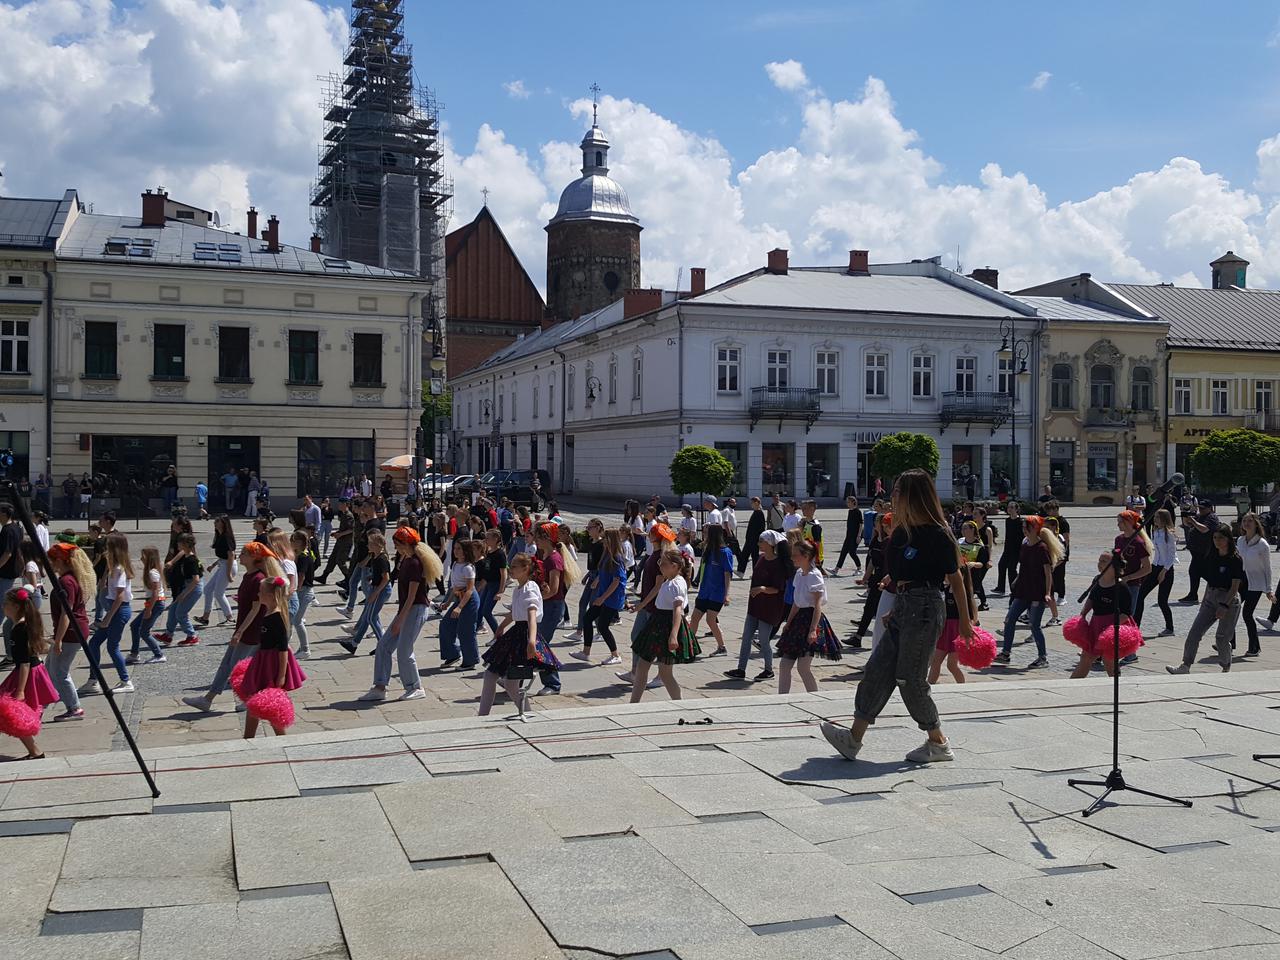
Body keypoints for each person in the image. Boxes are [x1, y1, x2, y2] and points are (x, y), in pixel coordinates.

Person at [822, 469, 969, 765]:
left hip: (927, 607)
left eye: (898, 491)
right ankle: (853, 739)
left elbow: (955, 580)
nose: (893, 497)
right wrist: (896, 607)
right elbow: (901, 580)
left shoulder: (939, 534)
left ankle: (938, 742)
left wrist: (965, 621)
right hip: (905, 605)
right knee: (877, 669)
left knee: (910, 679)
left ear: (914, 496)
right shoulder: (901, 533)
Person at [182, 541, 280, 713]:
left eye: (243, 553)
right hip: (244, 628)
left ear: (253, 557)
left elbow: (256, 609)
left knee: (237, 667)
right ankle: (208, 699)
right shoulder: (248, 576)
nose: (238, 556)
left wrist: (240, 631)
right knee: (229, 664)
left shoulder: (258, 579)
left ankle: (248, 699)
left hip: (251, 631)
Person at [360, 528, 441, 702]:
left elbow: (412, 596)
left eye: (397, 543)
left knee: (404, 651)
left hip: (415, 610)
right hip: (407, 609)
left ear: (405, 544)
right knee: (384, 646)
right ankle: (379, 687)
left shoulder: (414, 563)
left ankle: (415, 687)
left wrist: (400, 619)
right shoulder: (406, 559)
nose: (395, 546)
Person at [478, 552, 560, 715]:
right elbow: (517, 612)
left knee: (501, 679)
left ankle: (485, 715)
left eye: (514, 566)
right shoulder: (519, 588)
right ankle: (486, 715)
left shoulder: (530, 588)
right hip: (516, 633)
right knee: (501, 679)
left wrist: (531, 641)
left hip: (523, 635)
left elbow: (531, 616)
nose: (510, 568)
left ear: (525, 568)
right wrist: (501, 626)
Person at [1167, 523, 1242, 674]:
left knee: (1221, 637)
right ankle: (1185, 665)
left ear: (1228, 539)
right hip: (1211, 597)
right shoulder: (1212, 555)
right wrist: (1205, 600)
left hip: (1228, 599)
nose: (1217, 541)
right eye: (1215, 538)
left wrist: (1224, 606)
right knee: (1195, 633)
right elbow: (1210, 581)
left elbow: (1234, 587)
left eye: (1220, 538)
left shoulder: (1235, 559)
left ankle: (1226, 666)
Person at [238, 574, 306, 739]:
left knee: (268, 702)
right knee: (254, 699)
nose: (258, 595)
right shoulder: (268, 612)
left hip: (271, 663)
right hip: (263, 659)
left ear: (270, 595)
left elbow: (283, 649)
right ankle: (249, 736)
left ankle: (281, 738)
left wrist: (281, 675)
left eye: (260, 592)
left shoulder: (276, 618)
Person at [629, 548, 700, 702]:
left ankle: (679, 702)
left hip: (666, 626)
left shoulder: (676, 584)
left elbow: (677, 611)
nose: (660, 566)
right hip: (657, 623)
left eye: (663, 564)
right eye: (660, 563)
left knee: (665, 673)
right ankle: (633, 703)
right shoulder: (668, 580)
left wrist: (673, 636)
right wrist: (639, 606)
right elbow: (656, 591)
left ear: (675, 566)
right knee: (643, 665)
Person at [774, 540, 841, 694]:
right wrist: (788, 622)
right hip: (798, 620)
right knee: (785, 664)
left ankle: (814, 696)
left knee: (803, 667)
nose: (792, 558)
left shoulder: (814, 576)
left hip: (811, 619)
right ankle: (782, 698)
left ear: (806, 556)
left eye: (795, 555)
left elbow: (817, 605)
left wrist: (813, 630)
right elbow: (796, 603)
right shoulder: (799, 574)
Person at [995, 516, 1061, 669]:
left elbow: (1048, 573)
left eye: (1027, 527)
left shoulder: (1042, 548)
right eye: (1023, 527)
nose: (1024, 530)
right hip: (1022, 590)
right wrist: (1017, 579)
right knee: (1009, 620)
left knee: (1034, 625)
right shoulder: (1025, 545)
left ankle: (1042, 657)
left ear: (1035, 529)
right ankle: (1005, 653)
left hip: (1037, 592)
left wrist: (1047, 592)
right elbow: (1024, 566)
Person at [0, 586, 58, 758]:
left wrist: (20, 690)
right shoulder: (26, 623)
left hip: (26, 674)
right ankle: (34, 751)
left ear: (16, 606)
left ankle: (35, 751)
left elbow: (24, 662)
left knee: (14, 712)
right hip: (32, 671)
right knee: (14, 713)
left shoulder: (19, 628)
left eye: (6, 603)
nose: (3, 607)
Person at [616, 522, 675, 689]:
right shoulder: (654, 554)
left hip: (655, 607)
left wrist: (641, 604)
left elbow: (657, 586)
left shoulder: (661, 559)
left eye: (651, 533)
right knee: (636, 636)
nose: (648, 534)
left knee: (655, 644)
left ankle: (660, 675)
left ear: (657, 537)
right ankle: (635, 672)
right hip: (647, 605)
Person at [724, 529, 787, 682]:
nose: (758, 544)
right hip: (754, 606)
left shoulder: (778, 563)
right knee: (746, 638)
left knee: (764, 640)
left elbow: (778, 588)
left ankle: (768, 670)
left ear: (770, 544)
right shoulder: (760, 559)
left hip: (769, 607)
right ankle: (741, 669)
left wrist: (762, 589)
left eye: (761, 541)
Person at [1067, 551, 1141, 678]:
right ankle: (1071, 686)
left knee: (1109, 661)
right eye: (1099, 561)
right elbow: (1091, 599)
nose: (1099, 564)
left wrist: (1110, 629)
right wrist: (1083, 615)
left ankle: (1118, 688)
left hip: (1113, 626)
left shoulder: (1121, 586)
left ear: (1114, 565)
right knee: (1086, 657)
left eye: (1103, 561)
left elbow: (1126, 614)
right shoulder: (1097, 579)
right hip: (1096, 623)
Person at [45, 543, 93, 722]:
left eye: (51, 561)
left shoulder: (65, 581)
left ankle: (74, 707)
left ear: (59, 560)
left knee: (60, 671)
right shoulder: (71, 578)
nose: (49, 565)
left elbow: (67, 613)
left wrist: (58, 640)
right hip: (73, 630)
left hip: (71, 632)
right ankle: (51, 698)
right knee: (50, 668)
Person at [83, 532, 134, 694]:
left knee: (112, 647)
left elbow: (119, 596)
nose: (105, 549)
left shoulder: (119, 569)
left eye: (107, 546)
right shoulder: (114, 566)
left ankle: (126, 681)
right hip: (115, 609)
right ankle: (93, 680)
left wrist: (106, 619)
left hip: (119, 611)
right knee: (94, 643)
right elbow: (104, 586)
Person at [532, 523, 577, 695]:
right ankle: (515, 679)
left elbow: (553, 589)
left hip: (552, 607)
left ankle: (552, 684)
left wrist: (534, 599)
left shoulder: (553, 559)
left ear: (545, 538)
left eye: (537, 536)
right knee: (533, 644)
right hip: (546, 605)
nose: (535, 539)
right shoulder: (545, 555)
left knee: (539, 645)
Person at [572, 528, 627, 665]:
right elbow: (603, 573)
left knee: (602, 626)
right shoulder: (607, 554)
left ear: (611, 540)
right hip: (603, 595)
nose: (603, 540)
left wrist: (602, 598)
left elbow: (617, 581)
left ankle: (615, 655)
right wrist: (596, 580)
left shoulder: (616, 558)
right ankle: (586, 652)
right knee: (587, 618)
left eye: (605, 538)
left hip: (612, 598)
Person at [929, 545, 977, 686]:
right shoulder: (945, 589)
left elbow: (972, 612)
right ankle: (929, 685)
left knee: (951, 665)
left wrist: (970, 624)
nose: (946, 576)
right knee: (935, 661)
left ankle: (962, 686)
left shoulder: (962, 593)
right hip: (945, 628)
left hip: (956, 629)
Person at [341, 531, 393, 656]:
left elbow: (386, 578)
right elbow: (378, 574)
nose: (368, 546)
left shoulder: (381, 559)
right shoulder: (374, 556)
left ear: (378, 545)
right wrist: (371, 577)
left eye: (370, 543)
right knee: (366, 618)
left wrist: (375, 593)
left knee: (370, 618)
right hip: (375, 588)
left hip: (381, 590)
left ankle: (383, 645)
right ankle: (354, 644)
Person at [848, 512, 890, 649]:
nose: (875, 526)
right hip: (876, 578)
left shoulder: (888, 542)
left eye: (877, 523)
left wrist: (884, 581)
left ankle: (878, 641)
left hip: (885, 580)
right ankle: (858, 637)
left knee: (876, 610)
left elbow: (889, 564)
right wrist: (865, 578)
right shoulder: (875, 540)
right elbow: (872, 560)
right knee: (869, 609)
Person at [438, 538, 481, 669]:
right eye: (455, 548)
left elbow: (469, 590)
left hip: (469, 600)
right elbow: (454, 587)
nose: (455, 551)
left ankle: (470, 661)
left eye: (459, 549)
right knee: (445, 625)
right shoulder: (455, 565)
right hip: (459, 598)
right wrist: (448, 602)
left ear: (465, 551)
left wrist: (460, 607)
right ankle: (453, 655)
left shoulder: (468, 568)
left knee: (465, 631)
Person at [155, 533, 203, 647]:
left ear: (185, 544)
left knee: (180, 613)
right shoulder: (185, 554)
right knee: (173, 609)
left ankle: (192, 636)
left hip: (193, 588)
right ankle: (168, 635)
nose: (177, 544)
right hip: (187, 586)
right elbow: (181, 553)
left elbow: (195, 580)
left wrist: (184, 594)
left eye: (179, 542)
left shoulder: (191, 560)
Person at [1236, 512, 1272, 658]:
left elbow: (1268, 568)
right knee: (1231, 608)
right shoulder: (1240, 540)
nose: (1246, 523)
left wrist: (1269, 590)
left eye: (1250, 521)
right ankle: (1229, 643)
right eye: (1244, 521)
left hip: (1256, 583)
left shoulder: (1262, 544)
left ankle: (1254, 647)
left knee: (1247, 614)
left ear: (1256, 524)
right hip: (1242, 580)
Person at [1137, 508, 1178, 638]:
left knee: (1162, 601)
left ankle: (1169, 628)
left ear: (1164, 519)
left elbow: (1172, 555)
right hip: (1155, 566)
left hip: (1166, 568)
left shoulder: (1169, 534)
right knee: (1140, 595)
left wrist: (1164, 571)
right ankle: (1136, 625)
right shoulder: (1156, 532)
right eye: (1155, 518)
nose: (1155, 520)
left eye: (1158, 518)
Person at [126, 547, 168, 666]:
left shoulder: (152, 573)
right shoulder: (151, 571)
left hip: (155, 603)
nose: (140, 558)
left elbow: (155, 593)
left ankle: (159, 654)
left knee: (144, 632)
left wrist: (149, 610)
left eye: (143, 556)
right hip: (153, 603)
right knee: (134, 626)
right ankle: (134, 653)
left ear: (149, 558)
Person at [196, 516, 236, 628]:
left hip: (229, 565)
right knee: (208, 589)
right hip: (223, 564)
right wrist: (213, 565)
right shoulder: (220, 535)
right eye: (215, 521)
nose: (215, 522)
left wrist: (228, 574)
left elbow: (231, 555)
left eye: (217, 521)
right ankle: (205, 617)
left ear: (223, 523)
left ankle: (230, 618)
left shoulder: (226, 537)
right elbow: (223, 556)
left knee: (219, 593)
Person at [1179, 500, 1218, 604]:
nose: (1200, 510)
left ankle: (1218, 587)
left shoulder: (1212, 517)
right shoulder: (1200, 516)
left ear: (1210, 508)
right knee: (1194, 572)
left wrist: (1194, 521)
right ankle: (1193, 595)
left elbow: (1204, 529)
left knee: (1204, 573)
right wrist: (1187, 515)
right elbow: (1186, 524)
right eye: (1199, 508)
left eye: (1203, 508)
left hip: (1205, 551)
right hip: (1197, 551)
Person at [475, 528, 509, 637]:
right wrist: (480, 587)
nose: (486, 540)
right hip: (488, 584)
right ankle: (475, 628)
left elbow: (503, 573)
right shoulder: (489, 553)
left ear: (496, 539)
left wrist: (500, 591)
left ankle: (498, 636)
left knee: (486, 611)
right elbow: (487, 572)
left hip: (495, 585)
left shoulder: (500, 554)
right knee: (480, 609)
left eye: (488, 538)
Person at [288, 530, 316, 659]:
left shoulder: (304, 556)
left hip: (304, 591)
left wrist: (297, 588)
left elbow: (302, 575)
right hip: (303, 590)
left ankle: (305, 649)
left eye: (292, 540)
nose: (290, 542)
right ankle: (298, 647)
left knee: (297, 620)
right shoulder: (301, 554)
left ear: (299, 543)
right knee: (294, 619)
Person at [316, 499, 355, 585]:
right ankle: (324, 576)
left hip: (346, 542)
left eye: (341, 504)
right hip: (340, 541)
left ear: (346, 504)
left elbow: (351, 529)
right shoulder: (344, 514)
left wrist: (340, 534)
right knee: (332, 559)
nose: (339, 506)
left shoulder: (349, 515)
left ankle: (349, 578)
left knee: (340, 561)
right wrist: (337, 533)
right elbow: (344, 528)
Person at [992, 500, 1021, 595]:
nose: (1010, 509)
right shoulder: (1007, 520)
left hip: (1016, 549)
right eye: (1009, 507)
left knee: (1012, 569)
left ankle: (1015, 589)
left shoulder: (1020, 521)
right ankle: (1001, 588)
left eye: (1012, 507)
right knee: (1001, 565)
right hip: (1008, 548)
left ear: (1017, 509)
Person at [832, 496, 864, 577]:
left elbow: (861, 524)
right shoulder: (850, 511)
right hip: (849, 535)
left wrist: (859, 536)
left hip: (855, 535)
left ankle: (859, 568)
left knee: (852, 552)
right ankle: (836, 569)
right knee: (843, 552)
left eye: (848, 502)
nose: (847, 504)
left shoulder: (857, 512)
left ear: (853, 502)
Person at [737, 496, 766, 577]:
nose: (751, 504)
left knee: (754, 556)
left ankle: (756, 573)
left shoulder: (760, 513)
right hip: (750, 538)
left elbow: (761, 527)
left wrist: (760, 539)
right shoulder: (755, 512)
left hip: (755, 539)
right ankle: (740, 571)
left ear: (756, 503)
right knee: (744, 555)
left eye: (752, 503)